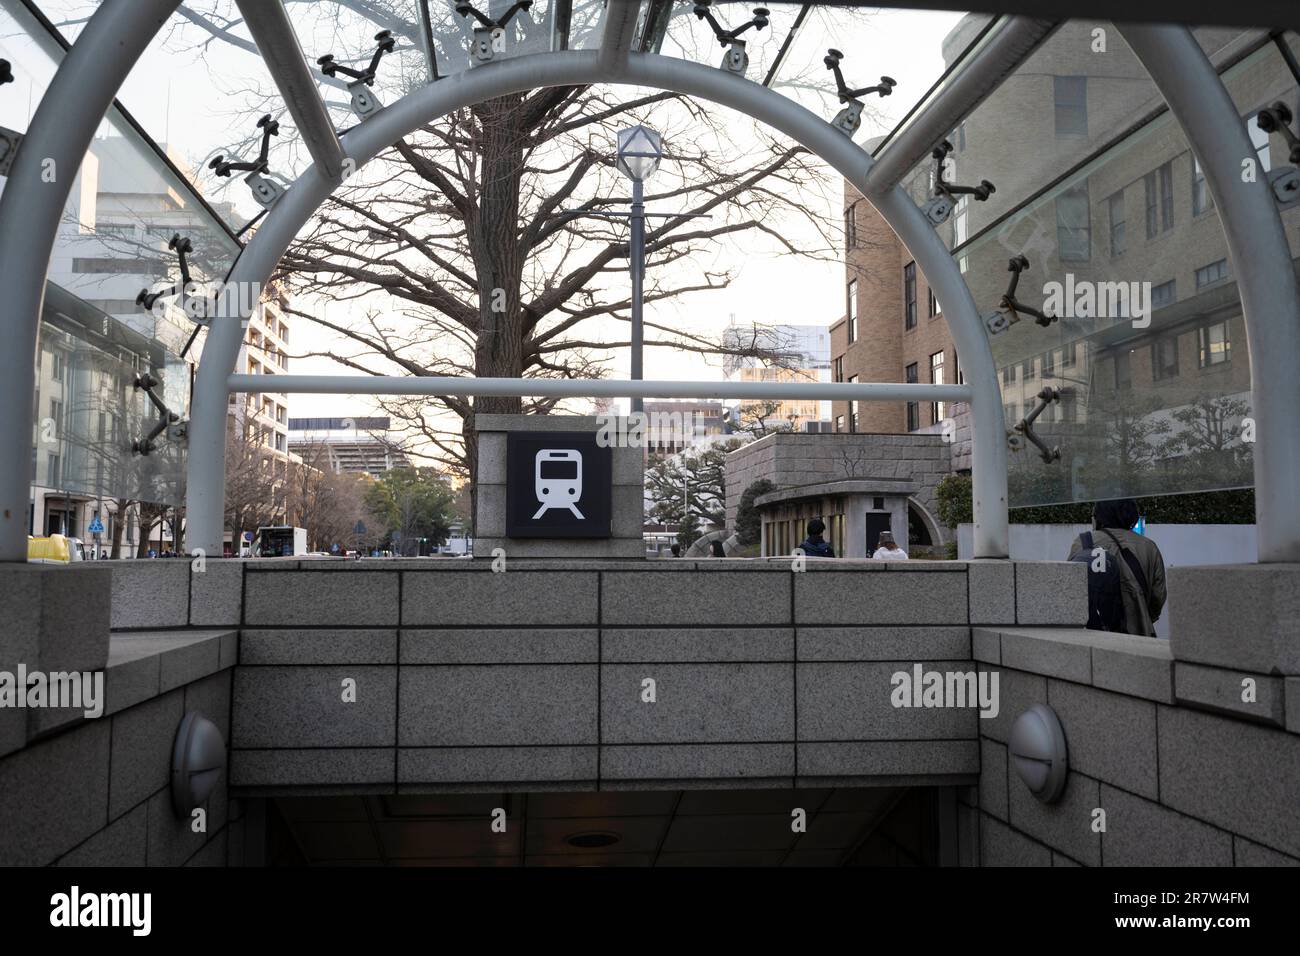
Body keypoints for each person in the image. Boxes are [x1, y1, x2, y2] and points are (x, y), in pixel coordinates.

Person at [1068, 498, 1166, 636]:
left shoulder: (1084, 542)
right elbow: (1158, 597)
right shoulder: (1149, 547)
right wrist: (1142, 615)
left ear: (1098, 516)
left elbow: (1070, 588)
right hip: (1138, 634)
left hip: (1094, 633)